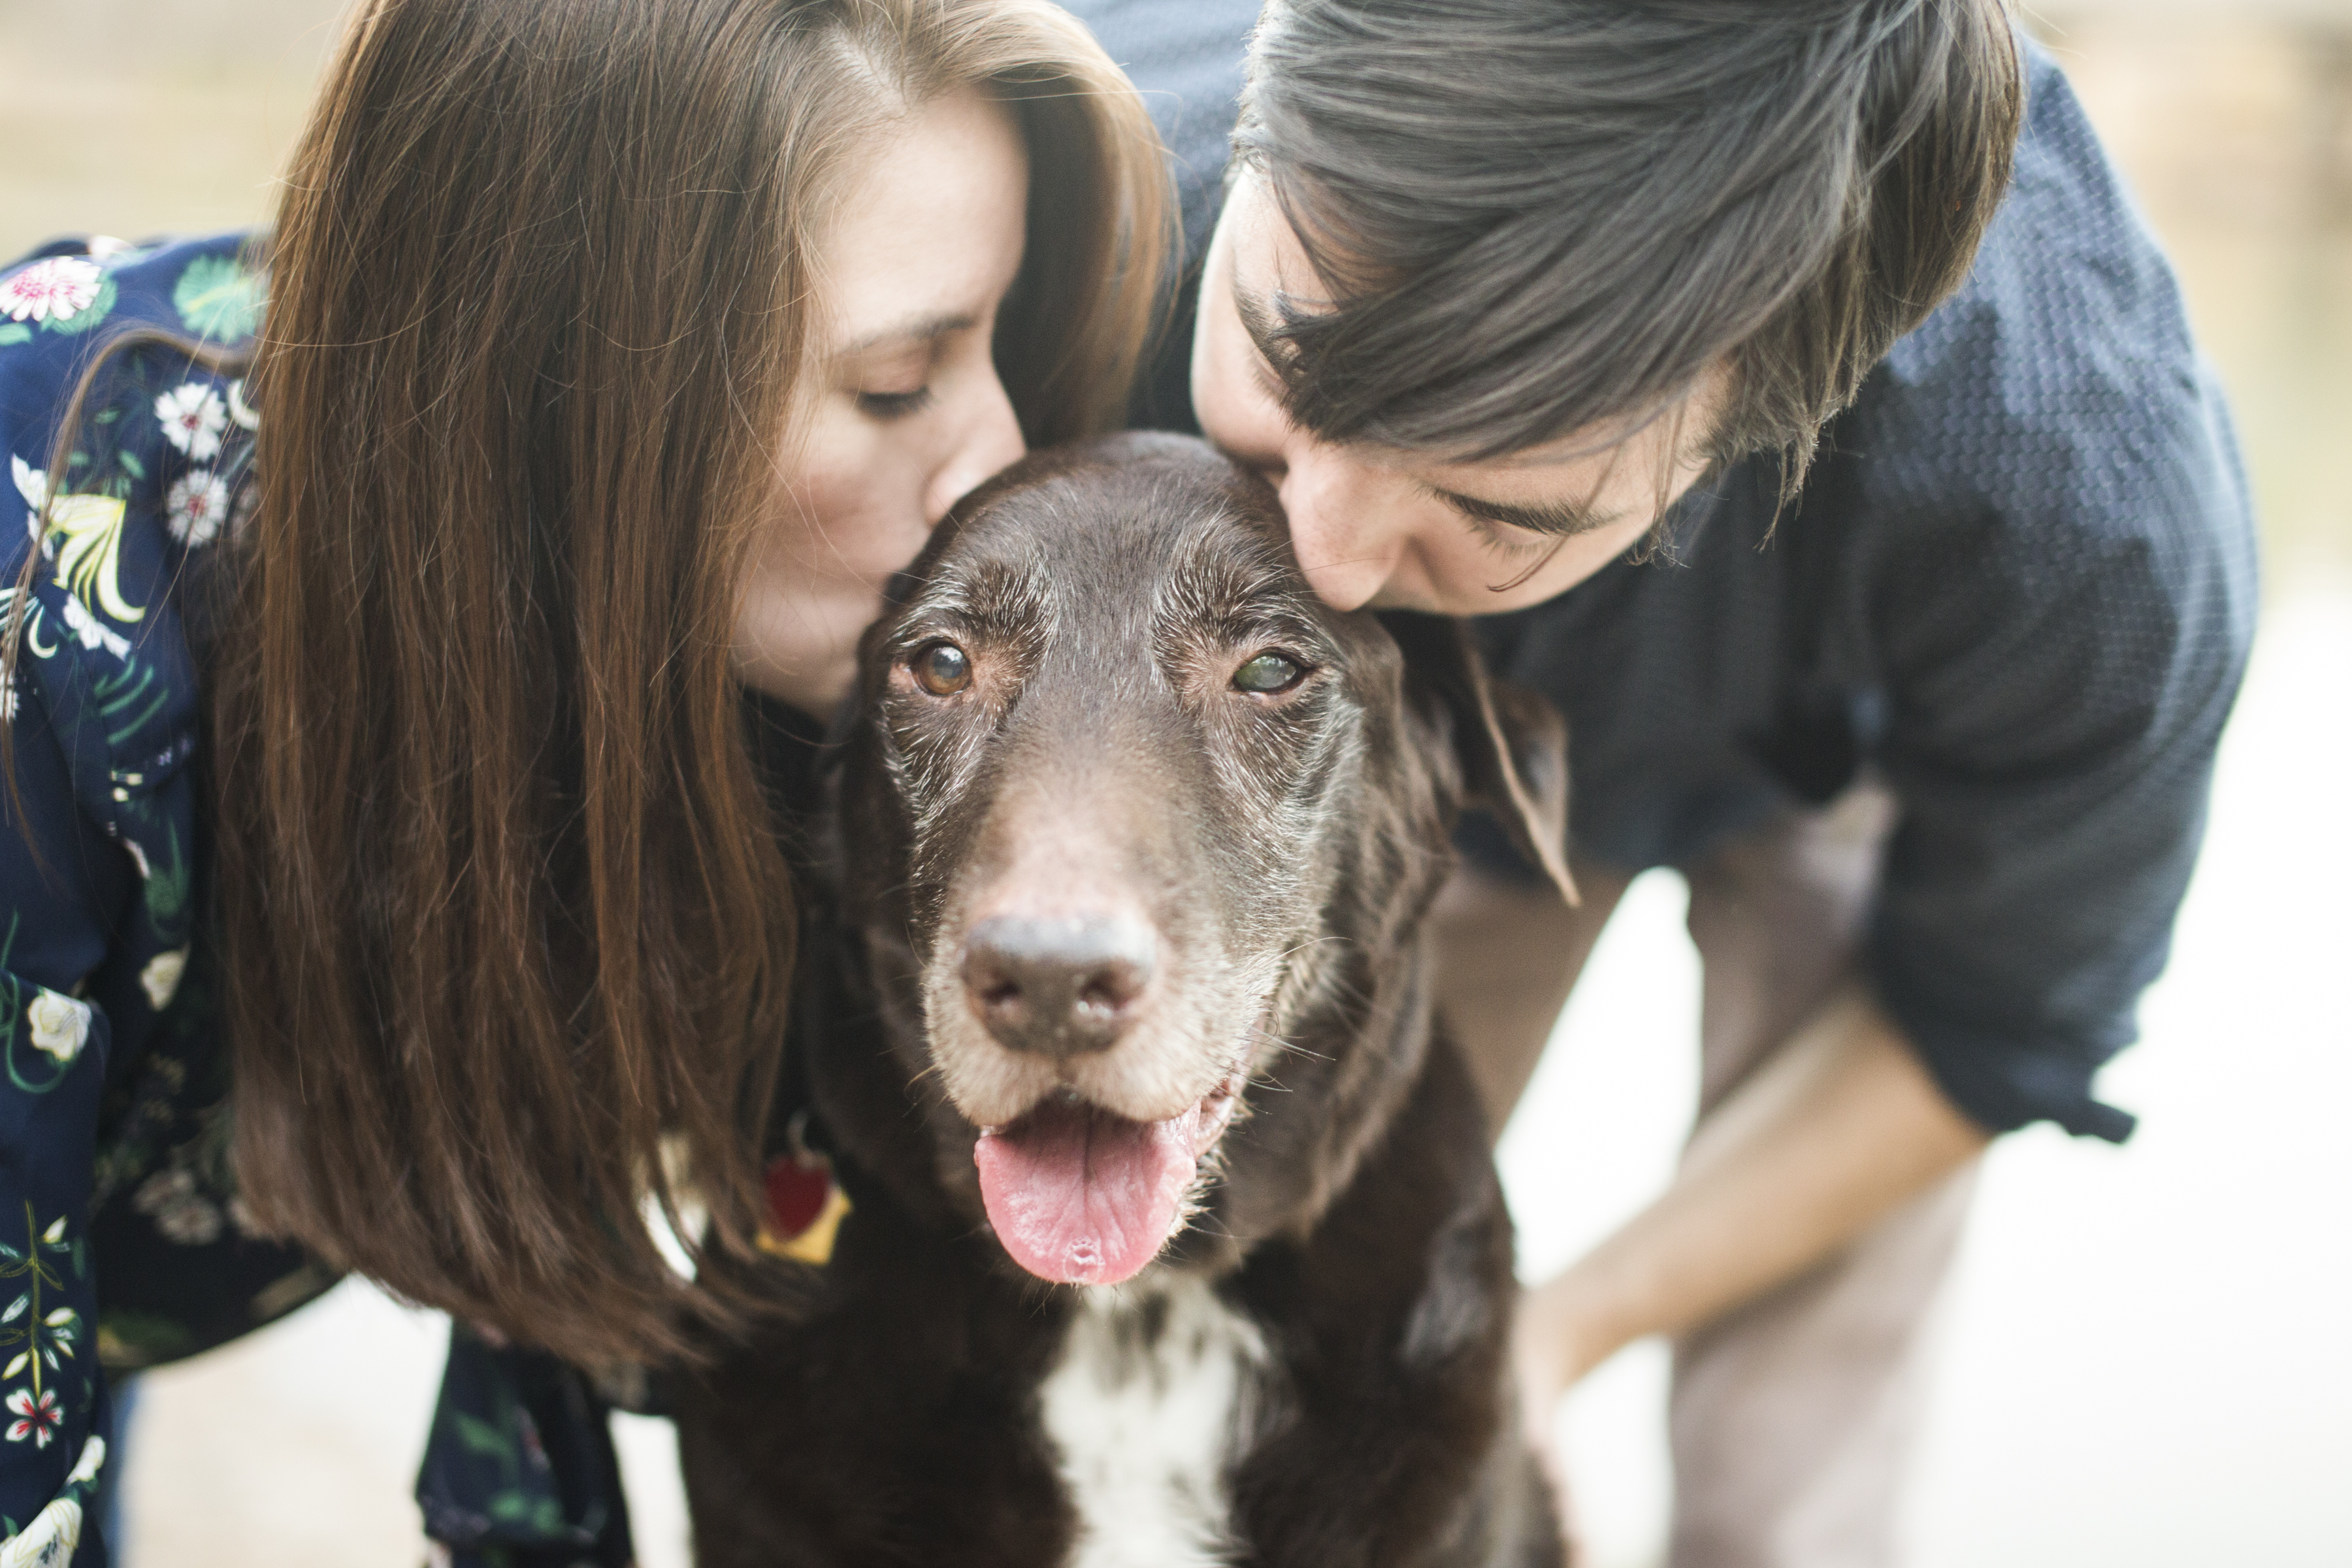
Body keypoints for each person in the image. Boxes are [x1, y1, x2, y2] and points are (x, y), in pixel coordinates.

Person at [1062, 1, 2257, 1564]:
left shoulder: (2081, 507)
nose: (1326, 555)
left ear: (1765, 420)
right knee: (1298, 1317)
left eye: (1499, 496)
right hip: (1416, 741)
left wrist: (1554, 1333)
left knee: (1784, 1477)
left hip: (1859, 734)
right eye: (1289, 359)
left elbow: (1985, 1021)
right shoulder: (1088, 164)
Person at [0, 0, 1166, 1561]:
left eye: (999, 347)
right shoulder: (45, 599)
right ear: (565, 395)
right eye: (898, 385)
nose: (1000, 461)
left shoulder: (770, 669)